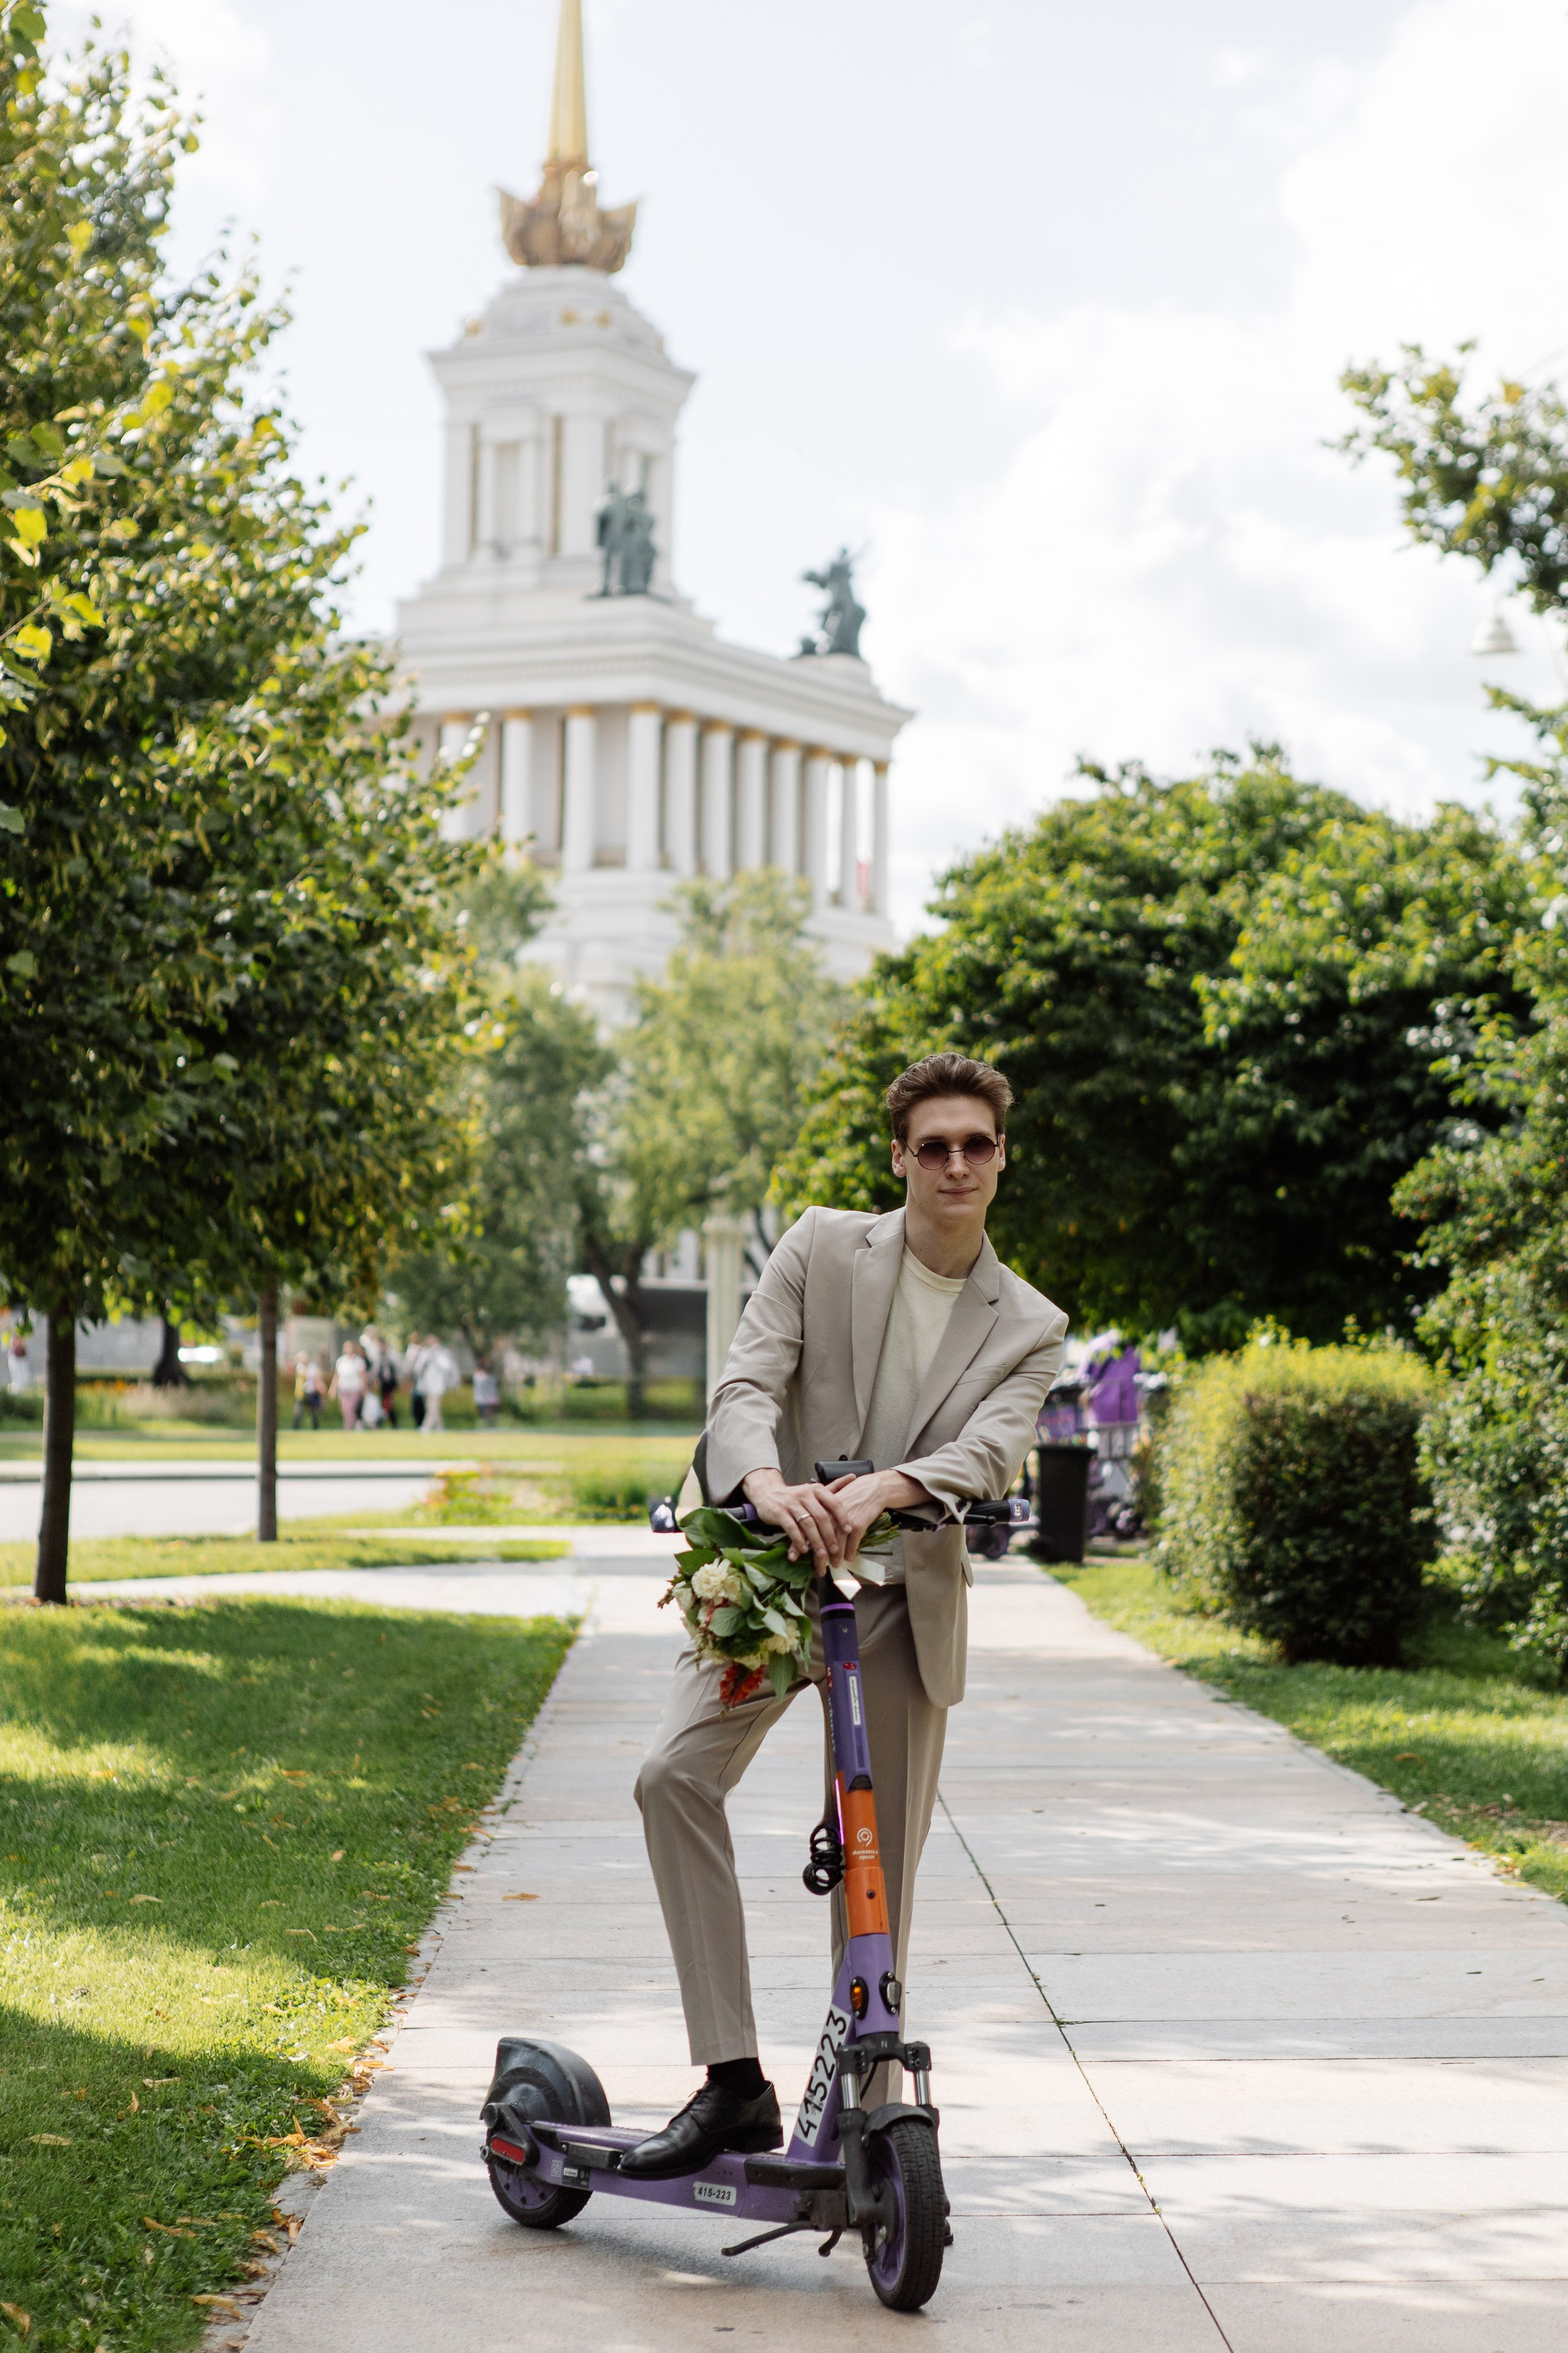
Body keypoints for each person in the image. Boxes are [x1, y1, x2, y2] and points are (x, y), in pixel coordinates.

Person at [624, 1052, 1067, 2180]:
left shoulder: (1027, 1323)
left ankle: (872, 2115)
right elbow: (744, 1389)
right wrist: (767, 1489)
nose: (955, 1164)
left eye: (976, 1144)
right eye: (933, 1146)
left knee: (879, 1868)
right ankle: (731, 2082)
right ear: (899, 1159)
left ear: (1001, 1156)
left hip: (899, 1603)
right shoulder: (820, 1246)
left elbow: (992, 1452)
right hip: (775, 1583)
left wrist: (886, 1485)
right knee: (672, 1776)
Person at [327, 1340, 367, 1432]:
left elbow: (363, 1376)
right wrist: (333, 1389)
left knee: (349, 1409)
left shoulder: (359, 1361)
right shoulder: (341, 1361)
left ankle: (356, 1424)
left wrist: (364, 1389)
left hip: (354, 1389)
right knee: (345, 1409)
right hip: (343, 1389)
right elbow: (337, 1376)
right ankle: (349, 1429)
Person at [419, 1337, 457, 1434]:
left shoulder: (443, 1353)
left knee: (433, 1406)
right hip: (428, 1385)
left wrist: (435, 1357)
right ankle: (440, 1427)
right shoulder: (425, 1353)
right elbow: (420, 1368)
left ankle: (426, 1427)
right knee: (431, 1407)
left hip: (438, 1386)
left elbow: (447, 1367)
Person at [291, 1353, 325, 1432]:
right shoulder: (299, 1367)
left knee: (313, 1412)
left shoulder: (312, 1368)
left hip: (311, 1392)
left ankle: (316, 1428)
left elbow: (317, 1378)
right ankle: (295, 1429)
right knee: (298, 1412)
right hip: (301, 1394)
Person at [472, 1361, 500, 1425]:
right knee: (488, 1419)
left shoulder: (478, 1377)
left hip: (484, 1401)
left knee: (486, 1419)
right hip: (489, 1401)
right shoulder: (493, 1377)